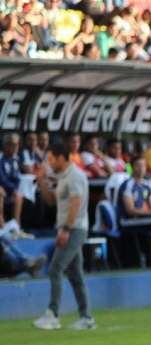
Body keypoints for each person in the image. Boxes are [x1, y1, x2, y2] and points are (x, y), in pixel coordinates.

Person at [33, 141, 96, 330]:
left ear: (61, 157)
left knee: (55, 269)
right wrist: (43, 181)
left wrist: (66, 230)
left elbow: (75, 204)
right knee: (75, 274)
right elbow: (51, 201)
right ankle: (86, 318)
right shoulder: (64, 177)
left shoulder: (75, 176)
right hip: (70, 228)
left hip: (74, 229)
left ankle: (53, 314)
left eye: (51, 158)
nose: (49, 163)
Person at [116, 156, 151, 265]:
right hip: (127, 220)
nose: (141, 168)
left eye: (143, 165)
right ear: (132, 167)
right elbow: (130, 210)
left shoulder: (147, 184)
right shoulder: (128, 185)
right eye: (138, 165)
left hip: (142, 218)